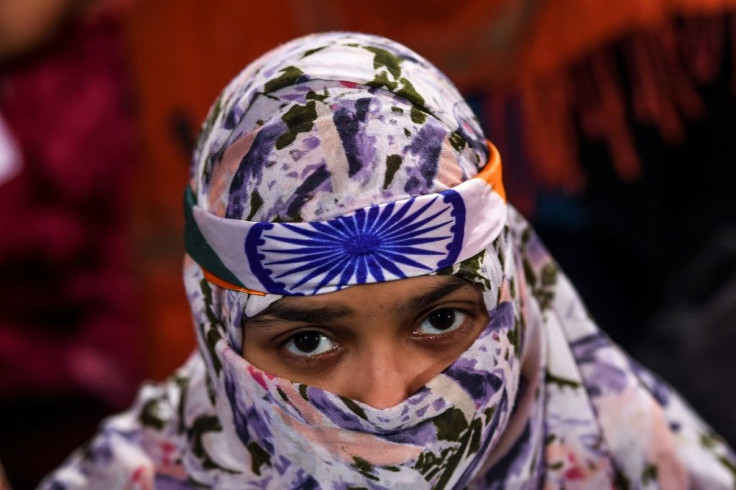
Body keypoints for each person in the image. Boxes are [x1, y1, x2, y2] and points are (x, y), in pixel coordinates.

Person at [41, 32, 735, 489]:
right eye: (309, 341)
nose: (385, 400)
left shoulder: (638, 465)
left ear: (512, 295)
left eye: (439, 321)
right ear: (221, 334)